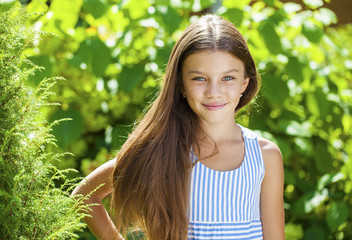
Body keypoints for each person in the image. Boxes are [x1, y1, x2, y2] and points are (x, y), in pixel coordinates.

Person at [72, 14, 285, 240]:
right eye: (199, 79)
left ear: (245, 82)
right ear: (181, 84)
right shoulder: (163, 149)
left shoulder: (265, 157)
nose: (214, 92)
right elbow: (85, 195)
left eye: (228, 78)